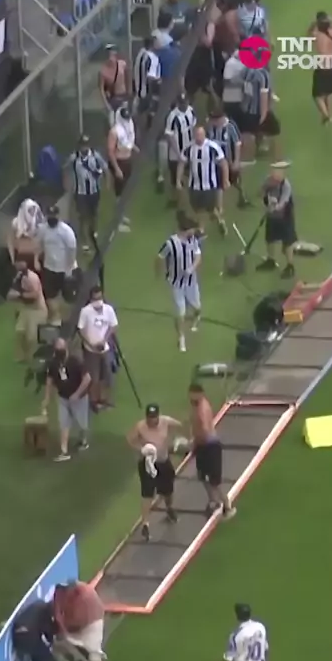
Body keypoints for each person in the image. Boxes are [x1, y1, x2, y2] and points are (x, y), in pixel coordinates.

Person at [127, 404, 183, 541]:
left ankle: (169, 508)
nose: (151, 420)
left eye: (154, 417)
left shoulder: (165, 421)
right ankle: (145, 524)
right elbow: (130, 439)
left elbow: (181, 426)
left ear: (158, 415)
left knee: (168, 490)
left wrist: (178, 440)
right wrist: (141, 449)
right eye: (149, 417)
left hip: (163, 461)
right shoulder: (140, 426)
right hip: (147, 463)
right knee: (147, 493)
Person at [53, 581, 106, 661]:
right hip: (73, 621)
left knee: (95, 656)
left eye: (67, 591)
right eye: (63, 590)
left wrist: (65, 628)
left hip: (92, 623)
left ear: (73, 590)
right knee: (56, 643)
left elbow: (80, 622)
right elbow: (57, 609)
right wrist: (61, 626)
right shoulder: (60, 590)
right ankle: (76, 659)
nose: (64, 593)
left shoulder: (86, 598)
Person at [156, 213, 202, 353]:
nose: (194, 231)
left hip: (191, 282)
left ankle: (196, 317)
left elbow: (198, 256)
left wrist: (192, 268)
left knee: (197, 308)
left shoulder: (192, 240)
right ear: (186, 230)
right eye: (192, 229)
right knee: (180, 312)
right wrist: (160, 273)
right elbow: (159, 257)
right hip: (176, 283)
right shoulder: (171, 243)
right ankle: (181, 338)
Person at [188, 382, 234, 517]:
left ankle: (227, 506)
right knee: (202, 476)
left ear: (200, 394)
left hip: (209, 446)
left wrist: (194, 443)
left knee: (214, 480)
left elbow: (205, 431)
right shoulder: (196, 406)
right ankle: (213, 501)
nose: (191, 398)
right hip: (202, 445)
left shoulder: (202, 409)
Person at [42, 337, 91, 460]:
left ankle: (83, 440)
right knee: (63, 423)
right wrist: (47, 398)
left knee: (82, 424)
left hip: (79, 399)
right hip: (63, 398)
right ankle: (64, 451)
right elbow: (49, 380)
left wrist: (77, 394)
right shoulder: (54, 363)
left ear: (66, 348)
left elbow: (87, 378)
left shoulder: (75, 361)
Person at [177, 125, 229, 237]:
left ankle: (207, 226)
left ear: (205, 134)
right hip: (194, 185)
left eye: (200, 134)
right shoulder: (189, 148)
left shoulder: (212, 147)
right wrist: (178, 179)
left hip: (209, 185)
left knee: (208, 209)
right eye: (197, 135)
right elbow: (182, 163)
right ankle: (211, 224)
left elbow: (223, 163)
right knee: (198, 209)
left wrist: (225, 179)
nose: (199, 137)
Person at [77, 286, 118, 411]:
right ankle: (93, 401)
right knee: (93, 377)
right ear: (91, 299)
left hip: (104, 348)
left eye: (100, 297)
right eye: (95, 298)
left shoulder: (108, 310)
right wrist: (90, 343)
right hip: (90, 350)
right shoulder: (85, 311)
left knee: (105, 375)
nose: (98, 301)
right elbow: (81, 329)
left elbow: (113, 326)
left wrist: (104, 340)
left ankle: (103, 399)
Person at [36, 205, 78, 326]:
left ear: (58, 216)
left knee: (68, 297)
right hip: (49, 267)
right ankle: (56, 317)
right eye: (50, 215)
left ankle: (67, 319)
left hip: (65, 269)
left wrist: (69, 268)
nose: (52, 217)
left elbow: (72, 250)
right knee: (50, 295)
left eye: (54, 215)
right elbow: (39, 244)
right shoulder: (43, 229)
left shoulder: (66, 231)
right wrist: (36, 259)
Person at [66, 135, 108, 253]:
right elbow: (65, 168)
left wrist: (107, 183)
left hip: (94, 191)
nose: (84, 148)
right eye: (82, 145)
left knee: (93, 214)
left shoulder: (95, 156)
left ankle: (93, 232)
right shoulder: (74, 158)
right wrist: (68, 183)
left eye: (86, 145)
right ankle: (84, 240)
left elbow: (105, 168)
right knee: (83, 216)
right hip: (80, 192)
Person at [257, 161, 297, 279]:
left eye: (279, 172)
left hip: (285, 216)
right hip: (272, 216)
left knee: (288, 241)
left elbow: (282, 203)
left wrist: (274, 206)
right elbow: (260, 193)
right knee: (270, 238)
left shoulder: (286, 186)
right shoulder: (268, 181)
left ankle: (290, 266)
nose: (276, 175)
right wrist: (266, 199)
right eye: (274, 172)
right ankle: (271, 260)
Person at [206, 101, 249, 210]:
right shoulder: (210, 127)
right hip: (216, 162)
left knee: (235, 180)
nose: (213, 122)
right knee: (219, 184)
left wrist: (236, 161)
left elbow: (237, 144)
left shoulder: (230, 126)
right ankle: (219, 208)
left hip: (230, 160)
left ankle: (242, 195)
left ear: (221, 118)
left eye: (215, 119)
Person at [7, 257, 47, 363]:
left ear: (25, 263)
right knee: (20, 331)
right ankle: (24, 356)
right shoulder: (18, 276)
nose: (16, 264)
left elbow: (35, 295)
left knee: (32, 337)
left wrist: (19, 295)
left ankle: (34, 357)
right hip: (26, 308)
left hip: (37, 309)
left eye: (19, 262)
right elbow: (12, 292)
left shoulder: (32, 277)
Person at [239, 65, 281, 161]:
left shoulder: (247, 71)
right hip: (258, 109)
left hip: (247, 108)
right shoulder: (263, 75)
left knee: (250, 131)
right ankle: (278, 160)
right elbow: (263, 95)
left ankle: (250, 156)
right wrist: (264, 114)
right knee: (275, 131)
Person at [107, 106, 138, 232]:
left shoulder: (128, 127)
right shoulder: (114, 132)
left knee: (126, 191)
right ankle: (117, 221)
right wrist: (116, 169)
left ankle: (122, 215)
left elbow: (129, 141)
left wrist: (134, 148)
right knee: (119, 193)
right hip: (119, 162)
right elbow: (110, 151)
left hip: (127, 161)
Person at [163, 93, 196, 207]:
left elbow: (194, 127)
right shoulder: (172, 116)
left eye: (185, 102)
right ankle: (175, 199)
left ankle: (190, 197)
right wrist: (178, 153)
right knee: (175, 177)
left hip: (189, 148)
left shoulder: (191, 111)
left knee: (192, 173)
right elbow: (169, 135)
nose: (184, 105)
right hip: (176, 152)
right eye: (182, 103)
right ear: (178, 103)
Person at [307, 12, 332, 124]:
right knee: (329, 93)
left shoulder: (317, 35)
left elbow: (307, 36)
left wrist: (313, 24)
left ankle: (325, 114)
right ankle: (330, 116)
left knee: (317, 95)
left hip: (322, 67)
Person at [98, 43, 130, 125]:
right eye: (108, 53)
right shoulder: (103, 71)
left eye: (112, 52)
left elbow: (128, 79)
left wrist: (129, 95)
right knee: (113, 124)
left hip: (123, 98)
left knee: (125, 122)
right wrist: (106, 105)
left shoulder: (122, 65)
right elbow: (101, 89)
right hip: (112, 100)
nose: (110, 55)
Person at [7, 198, 44, 268]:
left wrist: (36, 260)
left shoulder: (39, 223)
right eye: (30, 210)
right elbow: (10, 242)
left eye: (34, 209)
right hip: (21, 259)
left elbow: (41, 243)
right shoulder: (16, 223)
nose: (33, 212)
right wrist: (13, 259)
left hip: (36, 260)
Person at [222, 49, 247, 129]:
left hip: (242, 96)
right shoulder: (231, 63)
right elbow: (227, 81)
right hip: (231, 97)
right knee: (232, 121)